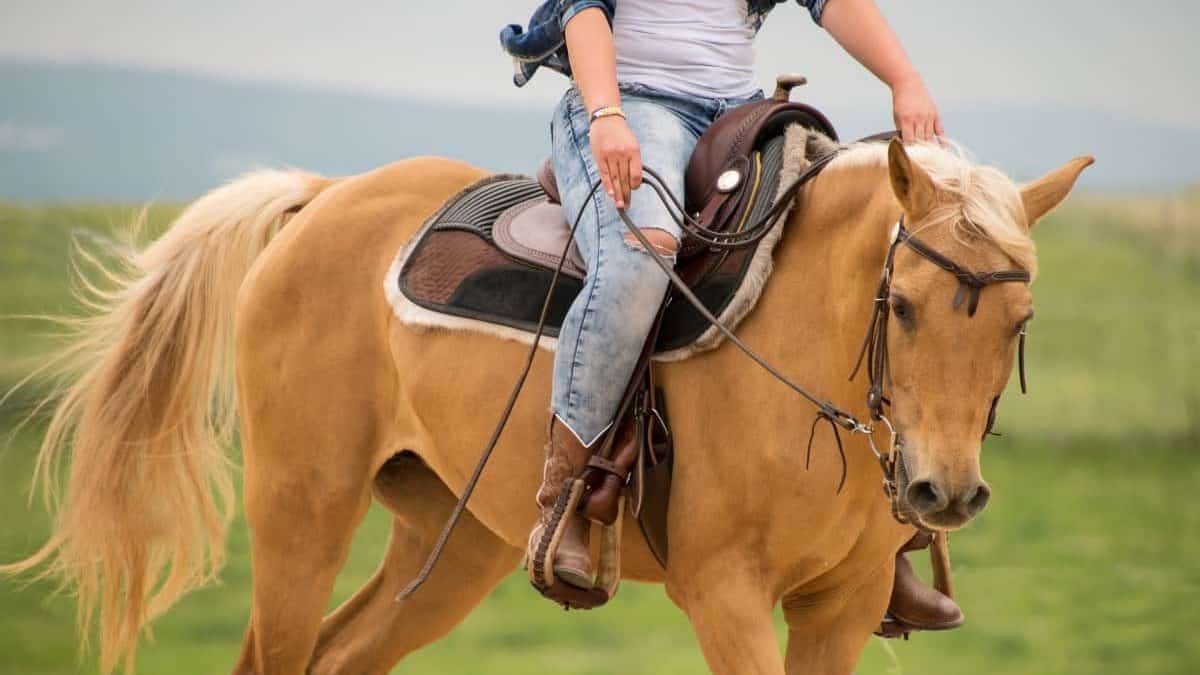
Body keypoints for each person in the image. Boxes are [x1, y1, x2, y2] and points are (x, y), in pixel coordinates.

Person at [501, 0, 960, 631]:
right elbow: (585, 10)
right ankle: (567, 500)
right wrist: (604, 114)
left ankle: (881, 539)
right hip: (627, 105)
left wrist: (906, 81)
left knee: (853, 245)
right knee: (639, 261)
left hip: (743, 115)